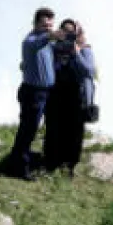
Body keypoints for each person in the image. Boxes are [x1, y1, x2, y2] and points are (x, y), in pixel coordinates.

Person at [5, 7, 61, 181]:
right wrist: (54, 34)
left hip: (45, 92)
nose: (48, 28)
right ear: (35, 24)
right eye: (45, 25)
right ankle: (19, 167)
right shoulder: (30, 41)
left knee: (36, 129)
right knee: (28, 131)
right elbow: (45, 39)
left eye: (51, 25)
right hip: (33, 93)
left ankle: (25, 158)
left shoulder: (46, 43)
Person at [44, 19, 97, 174]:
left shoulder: (84, 50)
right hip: (55, 93)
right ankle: (51, 162)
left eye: (71, 31)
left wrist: (76, 54)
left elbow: (88, 71)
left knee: (74, 132)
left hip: (76, 96)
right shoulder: (53, 48)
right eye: (65, 30)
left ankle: (69, 165)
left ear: (77, 33)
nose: (68, 33)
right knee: (54, 129)